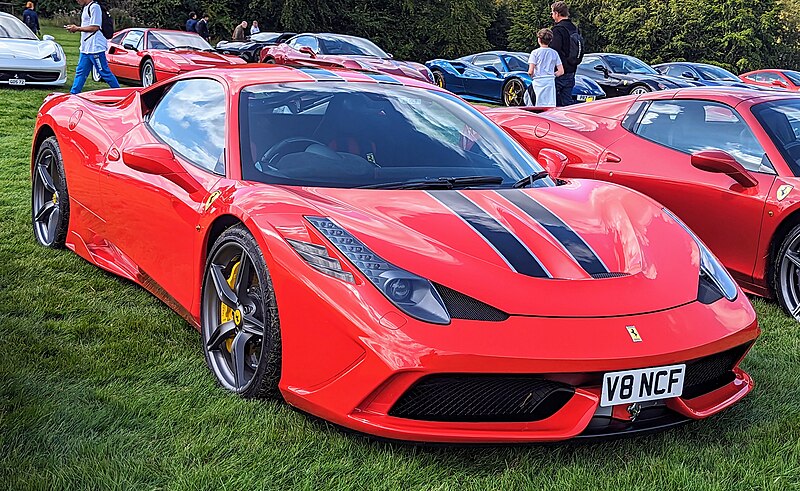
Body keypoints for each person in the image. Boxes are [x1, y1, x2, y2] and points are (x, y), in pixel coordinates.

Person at [65, 0, 120, 94]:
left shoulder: (95, 7)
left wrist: (77, 29)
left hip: (95, 47)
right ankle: (73, 94)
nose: (77, 1)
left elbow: (95, 27)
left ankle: (120, 93)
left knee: (104, 72)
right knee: (81, 72)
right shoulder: (86, 7)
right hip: (86, 48)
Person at [549, 1, 582, 106]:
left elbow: (554, 51)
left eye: (552, 13)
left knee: (554, 103)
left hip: (559, 72)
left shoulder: (557, 29)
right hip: (572, 70)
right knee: (567, 103)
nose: (552, 15)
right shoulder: (575, 28)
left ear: (557, 13)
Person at [526, 28, 563, 107]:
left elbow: (530, 71)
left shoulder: (535, 53)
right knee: (550, 105)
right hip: (550, 82)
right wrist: (552, 75)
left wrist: (532, 76)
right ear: (550, 40)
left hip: (538, 82)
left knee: (536, 104)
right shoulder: (554, 53)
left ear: (539, 39)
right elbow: (561, 71)